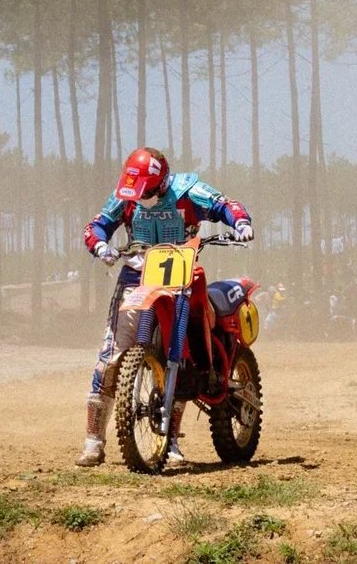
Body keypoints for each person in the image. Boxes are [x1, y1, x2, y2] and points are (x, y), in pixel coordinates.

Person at [76, 146, 253, 468]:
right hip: (136, 274)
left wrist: (240, 222)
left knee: (181, 354)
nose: (139, 198)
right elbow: (96, 225)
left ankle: (171, 442)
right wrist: (100, 245)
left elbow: (225, 205)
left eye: (145, 191)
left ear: (160, 183)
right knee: (111, 355)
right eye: (135, 192)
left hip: (181, 271)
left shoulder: (188, 191)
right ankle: (93, 442)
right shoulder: (126, 197)